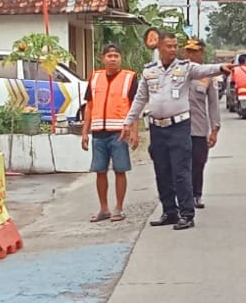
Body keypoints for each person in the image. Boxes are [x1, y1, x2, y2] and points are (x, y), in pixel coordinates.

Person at [122, 34, 233, 230]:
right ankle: (169, 212)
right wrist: (128, 122)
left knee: (181, 171)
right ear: (160, 48)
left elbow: (203, 69)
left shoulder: (185, 68)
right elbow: (140, 99)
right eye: (169, 46)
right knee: (162, 171)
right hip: (157, 127)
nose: (173, 50)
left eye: (175, 46)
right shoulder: (149, 71)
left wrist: (220, 68)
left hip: (180, 127)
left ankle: (187, 214)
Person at [81, 42, 136, 222]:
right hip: (98, 133)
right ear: (102, 59)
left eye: (116, 56)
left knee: (120, 170)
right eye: (109, 56)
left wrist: (134, 133)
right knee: (100, 171)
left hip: (119, 132)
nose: (112, 59)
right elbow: (89, 107)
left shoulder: (129, 78)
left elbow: (135, 107)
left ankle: (118, 208)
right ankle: (104, 209)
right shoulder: (95, 78)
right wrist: (84, 132)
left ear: (121, 59)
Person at [182, 38, 221, 210]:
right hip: (179, 127)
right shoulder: (178, 72)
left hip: (198, 127)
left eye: (194, 51)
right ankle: (183, 196)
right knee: (181, 164)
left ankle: (196, 194)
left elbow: (213, 104)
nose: (190, 54)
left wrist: (214, 129)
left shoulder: (207, 76)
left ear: (201, 53)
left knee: (198, 162)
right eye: (188, 51)